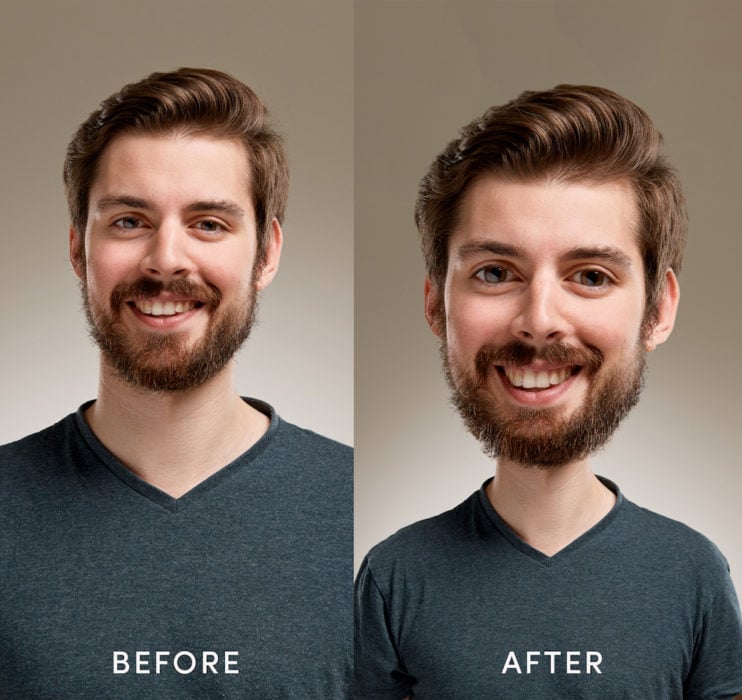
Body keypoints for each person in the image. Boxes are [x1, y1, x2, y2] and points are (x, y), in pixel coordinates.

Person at [354, 85, 742, 698]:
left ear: (658, 309)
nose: (539, 319)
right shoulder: (395, 576)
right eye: (495, 273)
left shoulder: (694, 574)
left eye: (591, 276)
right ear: (437, 303)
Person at [0, 68, 351, 698]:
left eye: (209, 223)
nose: (166, 259)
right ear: (80, 249)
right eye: (130, 221)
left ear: (266, 253)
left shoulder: (365, 527)